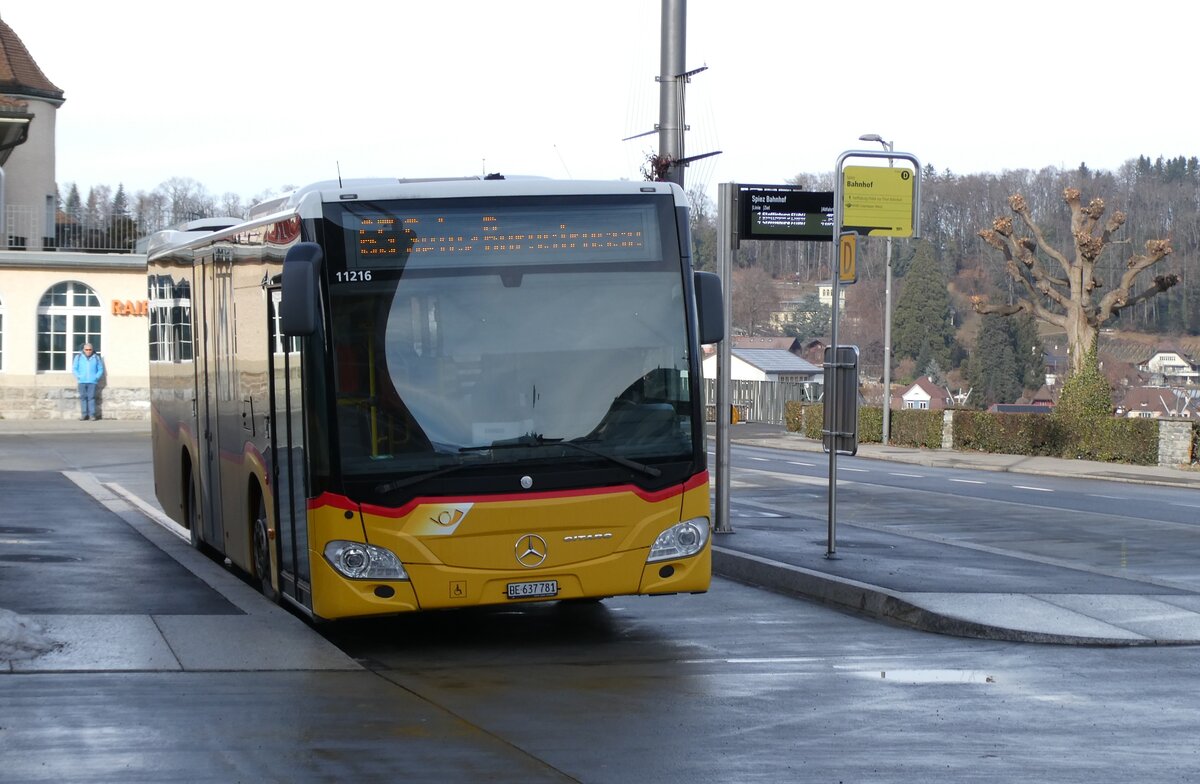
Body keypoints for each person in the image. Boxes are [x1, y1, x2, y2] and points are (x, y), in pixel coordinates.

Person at [72, 343, 105, 421]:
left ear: (92, 350)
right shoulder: (78, 357)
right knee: (83, 398)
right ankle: (84, 415)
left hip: (92, 382)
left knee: (91, 398)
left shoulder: (96, 357)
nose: (88, 351)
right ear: (83, 350)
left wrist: (96, 377)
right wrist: (79, 376)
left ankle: (92, 415)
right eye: (86, 349)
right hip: (82, 381)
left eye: (90, 349)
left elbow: (100, 369)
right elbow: (74, 368)